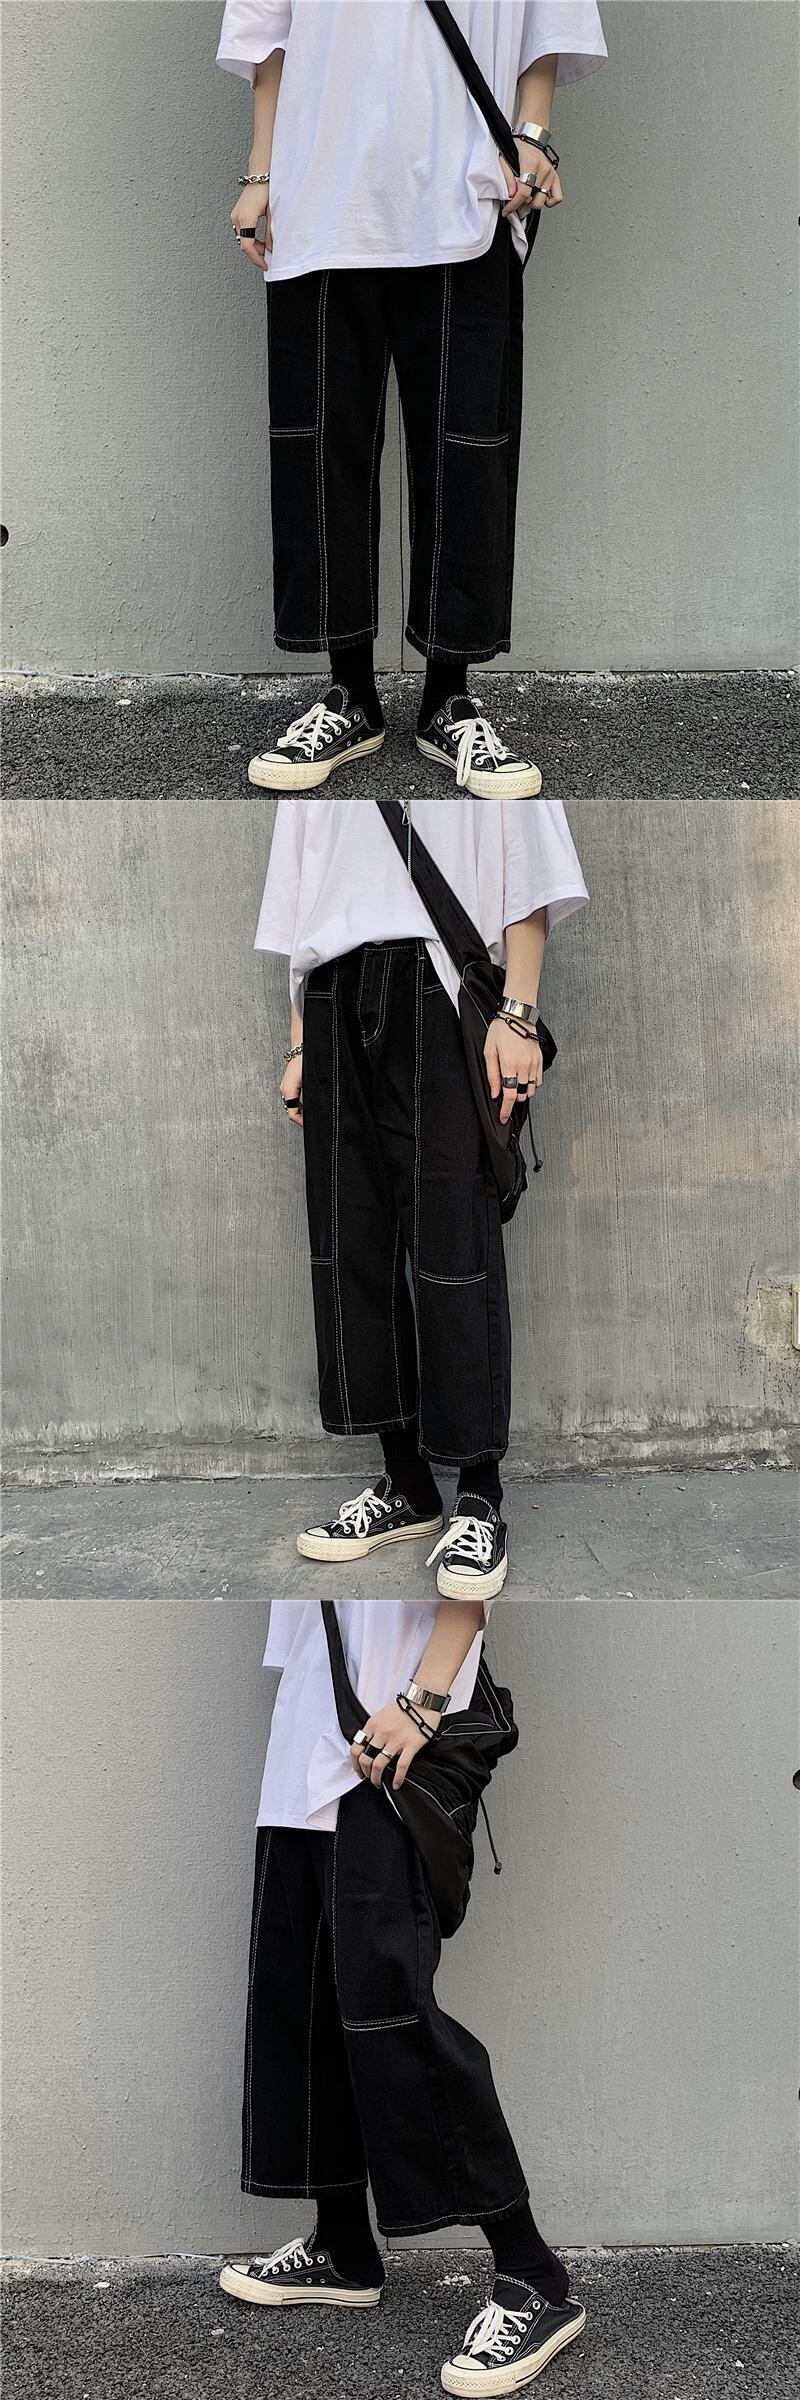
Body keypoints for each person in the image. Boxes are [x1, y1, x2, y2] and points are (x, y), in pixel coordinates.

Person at [216, 0, 607, 793]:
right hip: (322, 201)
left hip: (467, 201)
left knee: (468, 455)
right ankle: (349, 696)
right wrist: (261, 174)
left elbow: (550, 20)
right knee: (320, 454)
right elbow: (270, 38)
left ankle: (448, 701)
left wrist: (532, 137)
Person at [219, 1592, 588, 2393]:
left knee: (394, 2018)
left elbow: (469, 1589)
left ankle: (535, 2276)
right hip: (302, 1761)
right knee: (306, 2009)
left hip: (385, 1761)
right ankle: (343, 2246)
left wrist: (422, 1704)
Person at [254, 790, 589, 1594]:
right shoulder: (318, 779)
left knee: (454, 1248)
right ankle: (406, 1483)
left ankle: (479, 1494)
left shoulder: (489, 763)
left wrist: (518, 1012)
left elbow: (530, 859)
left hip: (437, 983)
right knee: (352, 1248)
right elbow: (301, 888)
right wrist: (299, 1041)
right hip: (333, 990)